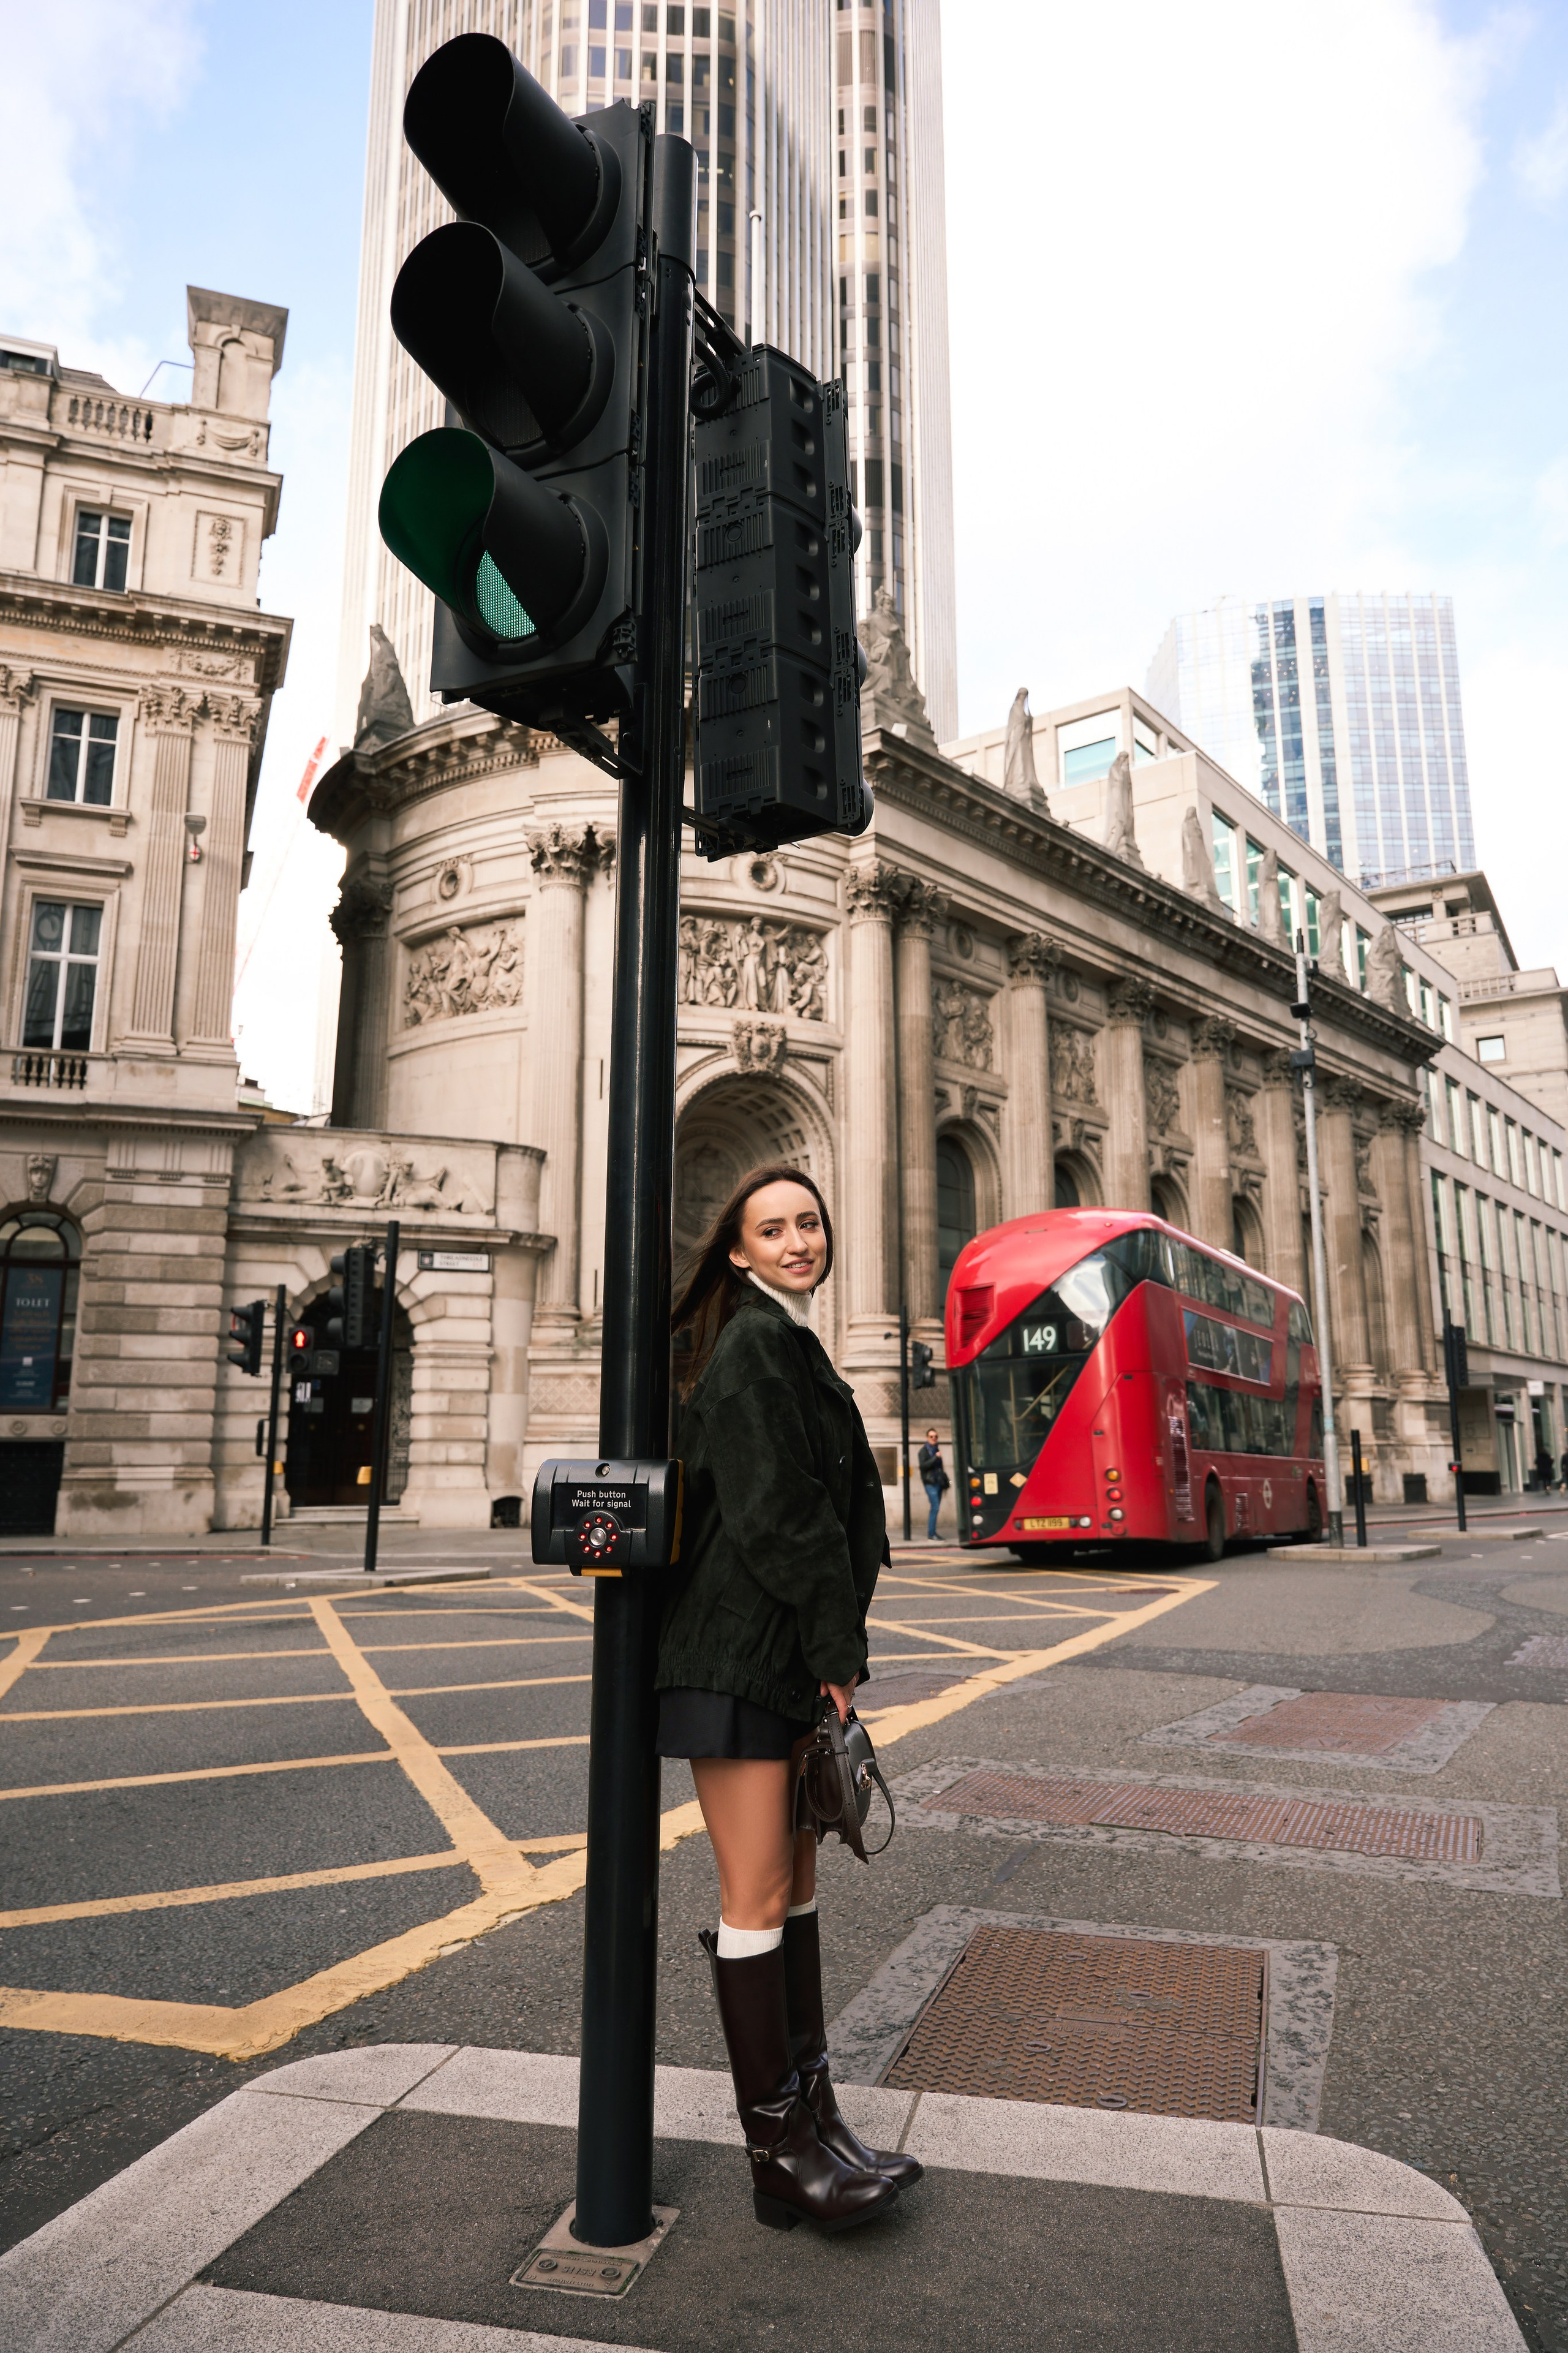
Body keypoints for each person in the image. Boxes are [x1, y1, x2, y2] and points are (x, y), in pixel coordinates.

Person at [658, 1163, 919, 2234]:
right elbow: (782, 1515)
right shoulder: (757, 1343)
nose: (799, 1239)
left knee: (797, 1888)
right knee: (757, 1896)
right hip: (738, 1653)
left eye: (810, 1220)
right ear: (738, 1249)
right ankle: (777, 2151)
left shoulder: (785, 1335)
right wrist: (837, 1650)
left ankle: (816, 2128)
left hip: (771, 1653)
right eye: (774, 1228)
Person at [918, 1426, 949, 1538]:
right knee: (935, 1507)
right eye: (931, 1436)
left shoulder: (937, 1449)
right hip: (930, 1484)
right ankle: (931, 1534)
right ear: (927, 1438)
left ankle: (933, 1533)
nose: (934, 1438)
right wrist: (935, 1458)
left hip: (938, 1483)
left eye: (936, 1436)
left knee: (936, 1507)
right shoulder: (924, 1451)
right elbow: (923, 1466)